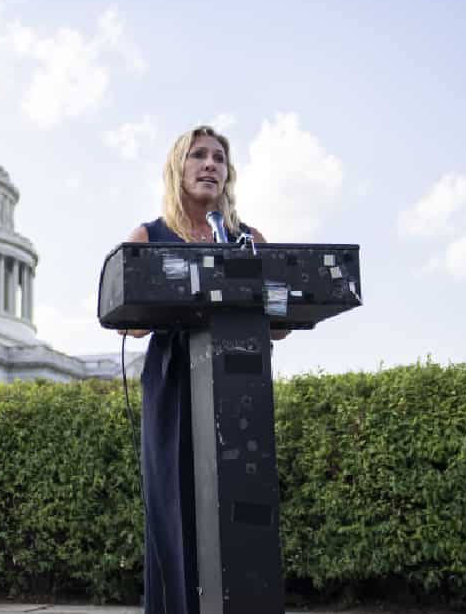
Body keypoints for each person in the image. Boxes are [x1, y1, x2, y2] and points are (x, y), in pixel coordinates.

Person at [120, 125, 287, 614]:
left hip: (237, 382)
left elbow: (278, 325)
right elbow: (130, 326)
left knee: (239, 505)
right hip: (174, 382)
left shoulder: (248, 239)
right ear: (178, 168)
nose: (211, 164)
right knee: (177, 507)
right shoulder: (148, 236)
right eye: (198, 155)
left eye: (219, 157)